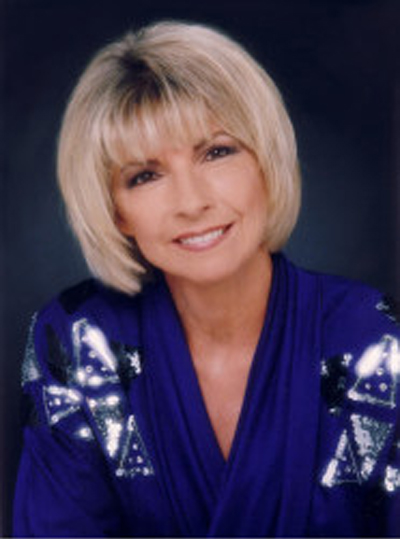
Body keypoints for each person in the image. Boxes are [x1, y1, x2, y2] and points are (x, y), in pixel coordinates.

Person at [13, 20, 400, 537]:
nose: (191, 202)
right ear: (116, 211)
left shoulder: (378, 342)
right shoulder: (77, 342)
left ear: (266, 162)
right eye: (145, 176)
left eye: (217, 152)